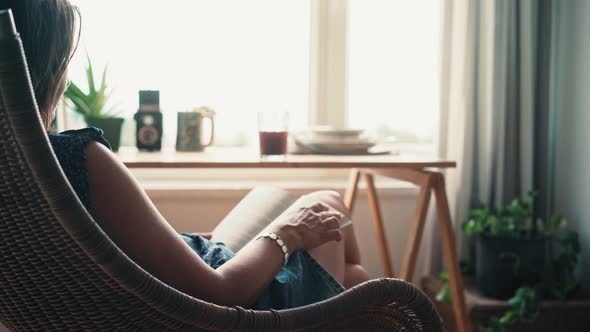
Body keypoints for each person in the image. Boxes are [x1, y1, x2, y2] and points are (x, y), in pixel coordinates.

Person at [1, 0, 370, 309]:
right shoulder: (78, 157)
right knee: (325, 205)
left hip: (182, 272)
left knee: (351, 276)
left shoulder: (18, 168)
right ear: (45, 69)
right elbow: (218, 295)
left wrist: (168, 241)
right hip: (227, 299)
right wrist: (288, 234)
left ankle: (336, 299)